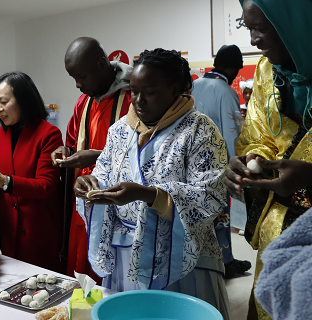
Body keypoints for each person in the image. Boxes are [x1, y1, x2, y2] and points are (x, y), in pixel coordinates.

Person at [75, 49, 229, 318]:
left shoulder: (199, 129)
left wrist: (149, 195)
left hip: (180, 256)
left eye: (150, 92)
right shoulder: (120, 130)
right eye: (133, 91)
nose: (138, 100)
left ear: (176, 89)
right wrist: (90, 183)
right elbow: (104, 171)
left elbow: (211, 195)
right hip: (124, 255)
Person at [221, 0, 312, 320]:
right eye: (249, 27)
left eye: (260, 28)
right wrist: (249, 162)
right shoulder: (267, 71)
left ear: (292, 21)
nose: (253, 40)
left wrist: (309, 176)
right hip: (278, 235)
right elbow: (258, 135)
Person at [50, 37, 132, 280]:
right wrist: (64, 151)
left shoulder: (132, 99)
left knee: (111, 279)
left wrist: (96, 157)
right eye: (73, 78)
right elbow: (73, 141)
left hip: (119, 205)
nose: (77, 84)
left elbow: (142, 152)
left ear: (101, 63)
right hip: (84, 202)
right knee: (81, 276)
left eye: (82, 77)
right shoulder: (83, 103)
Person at [0, 71, 64, 272]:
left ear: (23, 99)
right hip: (9, 232)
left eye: (4, 102)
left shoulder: (48, 134)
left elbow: (46, 185)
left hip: (38, 231)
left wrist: (5, 182)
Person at [191, 44, 250, 279]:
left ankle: (202, 262)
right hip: (216, 166)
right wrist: (239, 169)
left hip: (192, 165)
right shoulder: (226, 92)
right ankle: (225, 262)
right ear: (232, 68)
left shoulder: (194, 85)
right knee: (220, 216)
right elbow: (233, 135)